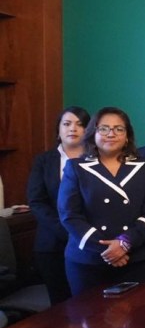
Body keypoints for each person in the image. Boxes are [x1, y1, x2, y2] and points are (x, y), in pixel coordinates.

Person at [57, 107, 145, 295]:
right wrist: (107, 250)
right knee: (89, 313)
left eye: (118, 129)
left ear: (127, 136)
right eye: (104, 129)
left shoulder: (144, 166)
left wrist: (124, 243)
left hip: (135, 259)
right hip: (88, 260)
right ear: (93, 134)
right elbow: (69, 215)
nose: (111, 134)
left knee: (137, 312)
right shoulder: (76, 167)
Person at [27, 106, 90, 304]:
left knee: (90, 303)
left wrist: (83, 233)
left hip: (90, 242)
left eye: (80, 124)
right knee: (60, 303)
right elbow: (36, 201)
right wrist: (66, 229)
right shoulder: (44, 161)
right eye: (67, 124)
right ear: (58, 129)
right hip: (52, 243)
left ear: (88, 130)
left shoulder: (96, 159)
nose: (73, 129)